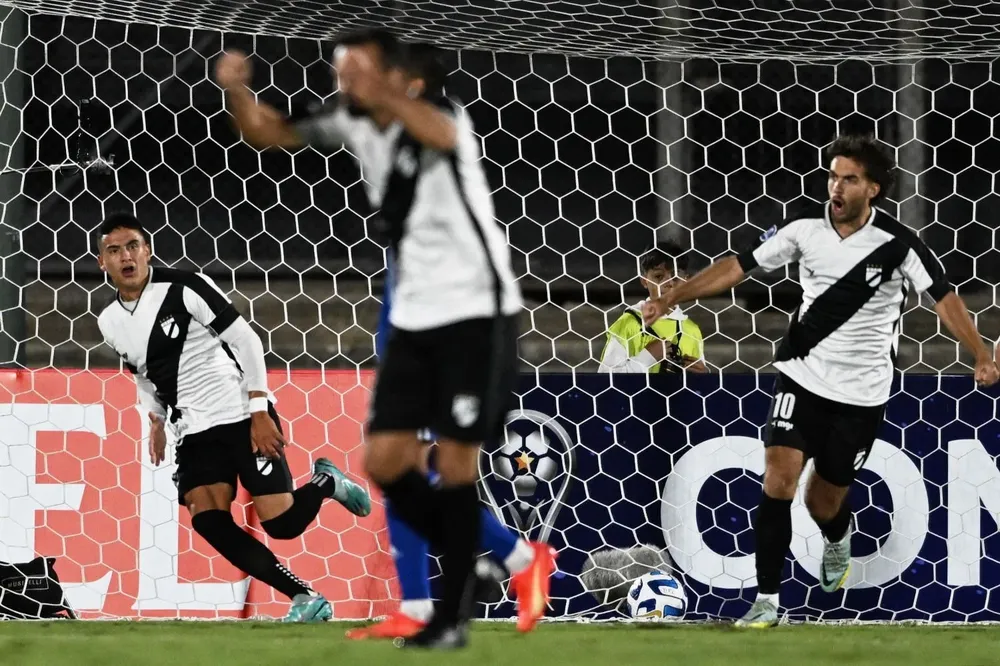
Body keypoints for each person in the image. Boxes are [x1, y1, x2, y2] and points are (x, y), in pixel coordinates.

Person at [214, 30, 555, 648]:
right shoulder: (354, 121)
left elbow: (441, 135)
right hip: (414, 321)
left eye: (357, 73)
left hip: (476, 315)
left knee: (453, 466)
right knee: (384, 461)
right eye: (341, 74)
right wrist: (236, 90)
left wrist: (382, 96)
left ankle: (446, 620)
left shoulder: (441, 117)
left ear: (397, 77)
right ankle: (515, 561)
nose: (345, 86)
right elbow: (267, 133)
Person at [643, 134, 1000, 628]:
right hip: (800, 376)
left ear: (872, 189)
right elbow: (737, 266)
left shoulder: (899, 244)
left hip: (861, 396)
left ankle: (837, 536)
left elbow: (945, 299)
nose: (836, 186)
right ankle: (767, 600)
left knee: (821, 500)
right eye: (833, 175)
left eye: (849, 179)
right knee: (778, 478)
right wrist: (675, 296)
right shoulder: (802, 230)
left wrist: (981, 354)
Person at [94, 212, 372, 622]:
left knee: (282, 524)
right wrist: (153, 419)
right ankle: (305, 597)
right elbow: (142, 373)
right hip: (193, 429)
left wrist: (259, 410)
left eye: (133, 245)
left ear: (148, 250)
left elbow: (245, 339)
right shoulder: (108, 322)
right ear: (102, 262)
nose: (126, 257)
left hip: (240, 413)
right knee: (207, 518)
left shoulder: (186, 287)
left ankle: (326, 482)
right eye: (113, 251)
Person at [345, 246, 543, 642]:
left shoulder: (446, 219)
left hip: (437, 355)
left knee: (408, 470)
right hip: (409, 354)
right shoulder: (410, 220)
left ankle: (422, 605)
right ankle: (517, 560)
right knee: (407, 472)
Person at [599, 243, 707, 373]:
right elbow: (606, 379)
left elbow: (700, 386)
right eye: (659, 276)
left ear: (686, 281)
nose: (669, 283)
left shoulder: (691, 330)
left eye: (675, 276)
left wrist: (704, 377)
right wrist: (647, 357)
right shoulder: (628, 323)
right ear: (645, 281)